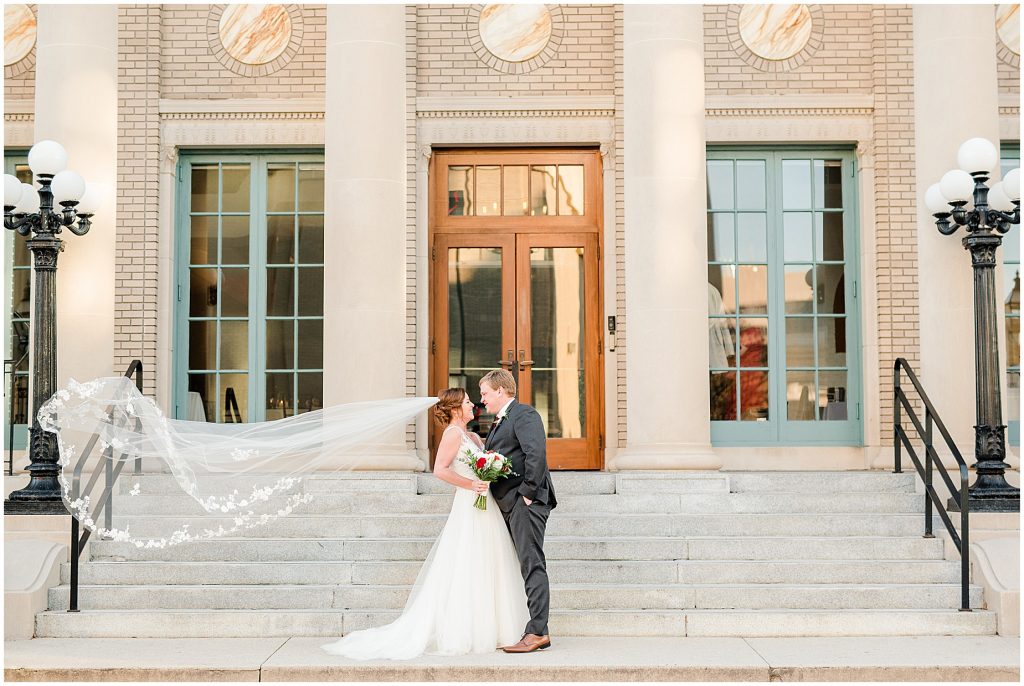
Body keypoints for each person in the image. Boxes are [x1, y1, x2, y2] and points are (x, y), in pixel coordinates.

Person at [321, 387, 529, 660]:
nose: (473, 406)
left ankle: (497, 627)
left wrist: (492, 470)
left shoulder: (475, 436)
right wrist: (471, 484)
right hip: (469, 506)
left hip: (486, 505)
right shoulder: (453, 435)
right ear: (455, 408)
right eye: (467, 402)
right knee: (467, 563)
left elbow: (482, 463)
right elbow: (440, 469)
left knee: (490, 562)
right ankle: (465, 629)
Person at [479, 369, 557, 653]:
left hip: (526, 504)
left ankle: (537, 632)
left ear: (501, 391)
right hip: (509, 504)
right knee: (524, 565)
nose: (482, 399)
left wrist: (527, 494)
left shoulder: (524, 415)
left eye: (486, 393)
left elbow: (536, 454)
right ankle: (532, 628)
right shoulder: (501, 422)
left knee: (532, 564)